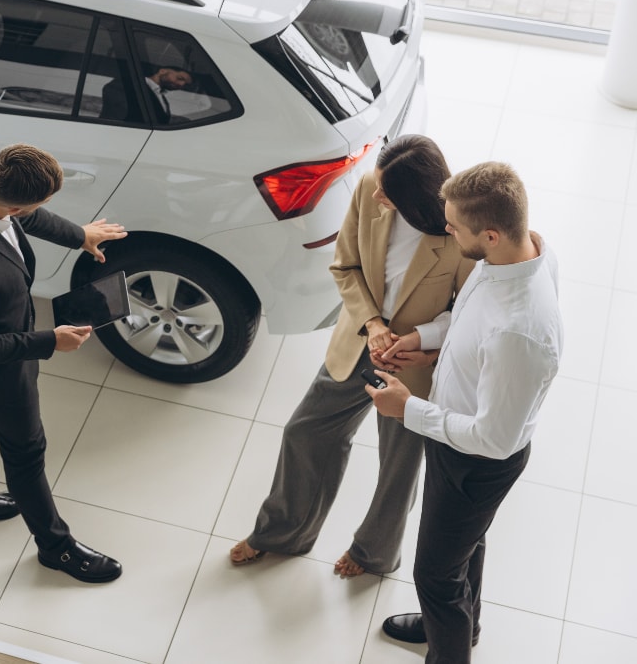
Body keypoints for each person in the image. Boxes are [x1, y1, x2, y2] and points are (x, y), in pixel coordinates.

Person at [228, 135, 475, 578]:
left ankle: (373, 554)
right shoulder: (368, 189)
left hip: (416, 369)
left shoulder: (460, 232)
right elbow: (345, 265)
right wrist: (373, 325)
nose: (377, 195)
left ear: (416, 195)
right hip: (360, 342)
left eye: (388, 192)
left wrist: (425, 349)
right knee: (304, 433)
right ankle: (282, 533)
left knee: (398, 469)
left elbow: (469, 311)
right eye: (378, 185)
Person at [366, 161, 562, 663]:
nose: (445, 230)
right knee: (465, 547)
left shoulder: (519, 334)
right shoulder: (521, 252)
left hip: (477, 462)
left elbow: (493, 440)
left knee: (433, 574)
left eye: (453, 226)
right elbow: (468, 315)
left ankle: (449, 649)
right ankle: (462, 626)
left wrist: (407, 409)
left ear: (491, 234)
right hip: (455, 436)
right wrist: (425, 339)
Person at [0, 143, 128, 583]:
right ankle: (55, 548)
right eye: (37, 204)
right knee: (25, 453)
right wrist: (48, 341)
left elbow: (26, 214)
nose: (39, 210)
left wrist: (81, 235)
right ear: (16, 204)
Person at [101, 66, 193, 124]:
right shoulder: (128, 83)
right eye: (180, 78)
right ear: (162, 71)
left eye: (185, 85)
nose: (181, 84)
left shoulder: (162, 99)